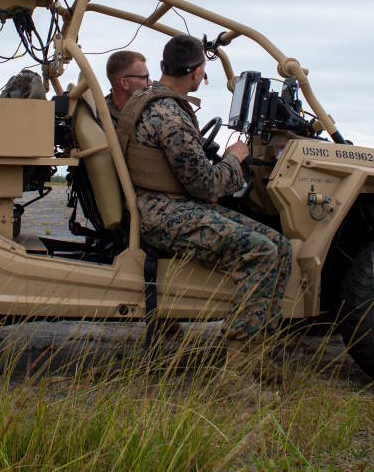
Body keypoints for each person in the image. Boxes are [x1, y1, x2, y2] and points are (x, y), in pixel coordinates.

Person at [116, 35, 292, 359]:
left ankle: (262, 351)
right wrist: (235, 158)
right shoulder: (170, 116)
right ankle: (238, 369)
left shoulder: (149, 98)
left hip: (164, 204)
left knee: (281, 246)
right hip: (162, 213)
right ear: (196, 73)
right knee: (262, 253)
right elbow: (207, 186)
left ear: (163, 68)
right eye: (204, 72)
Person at [104, 50, 150, 126]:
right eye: (144, 77)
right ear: (124, 83)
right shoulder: (98, 118)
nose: (150, 83)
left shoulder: (154, 110)